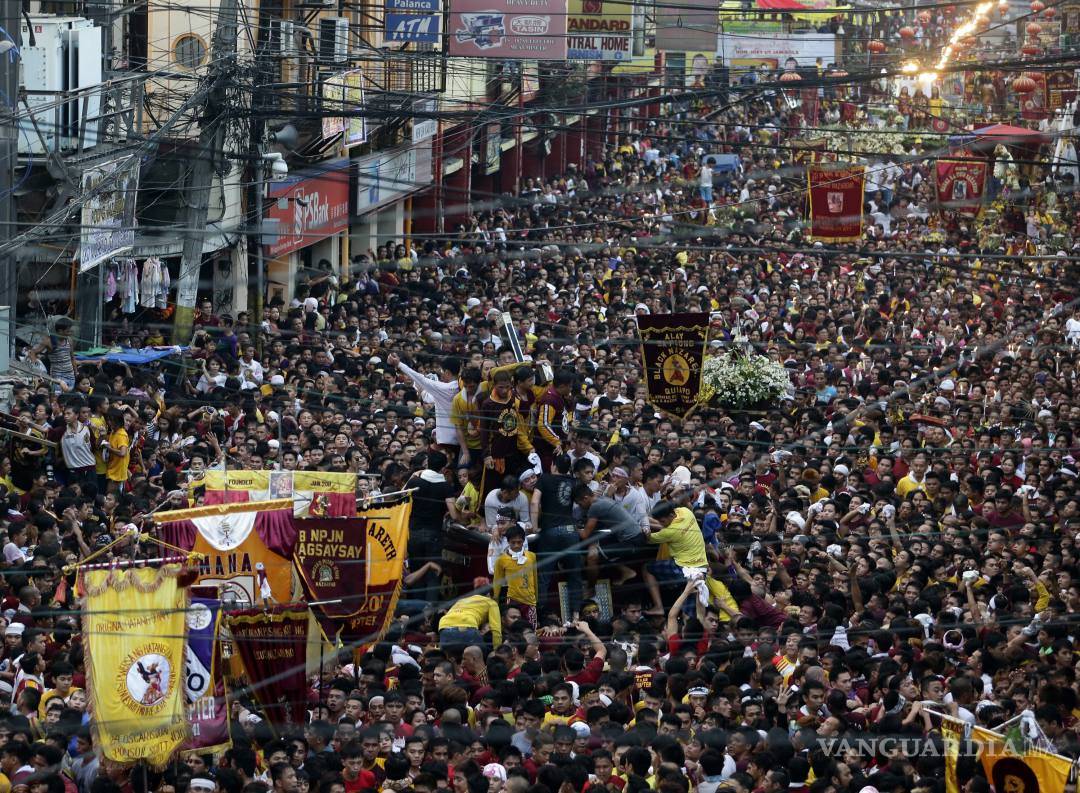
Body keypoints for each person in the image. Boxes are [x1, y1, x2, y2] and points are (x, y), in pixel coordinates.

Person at [491, 523, 538, 627]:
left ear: (524, 541)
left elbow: (535, 579)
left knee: (531, 630)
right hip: (512, 600)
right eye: (513, 543)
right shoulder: (501, 560)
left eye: (519, 542)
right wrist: (495, 600)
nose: (516, 545)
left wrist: (536, 599)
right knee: (512, 630)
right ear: (508, 542)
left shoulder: (531, 557)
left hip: (530, 600)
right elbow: (497, 581)